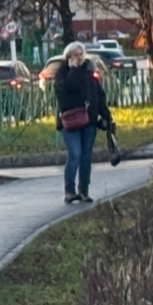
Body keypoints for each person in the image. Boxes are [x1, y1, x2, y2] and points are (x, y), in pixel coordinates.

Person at [54, 42, 113, 204]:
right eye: (75, 54)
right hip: (70, 121)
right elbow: (67, 89)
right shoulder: (62, 74)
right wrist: (73, 70)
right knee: (75, 155)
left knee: (86, 157)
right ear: (68, 57)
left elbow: (99, 97)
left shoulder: (88, 73)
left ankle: (84, 190)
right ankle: (69, 191)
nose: (78, 58)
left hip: (89, 121)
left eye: (81, 54)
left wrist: (107, 117)